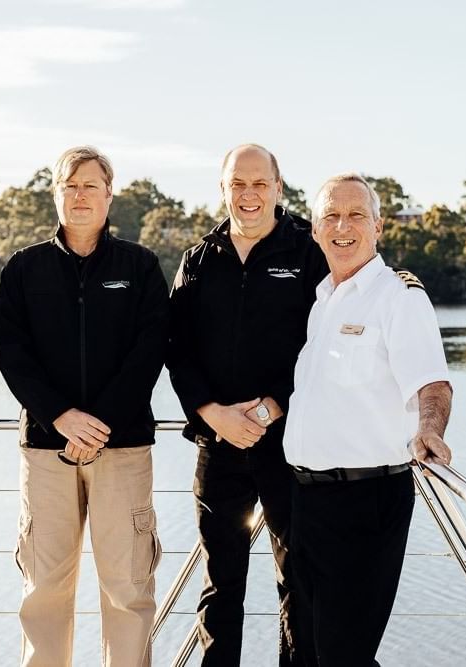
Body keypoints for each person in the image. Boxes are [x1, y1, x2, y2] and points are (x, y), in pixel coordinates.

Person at [0, 146, 168, 667]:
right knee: (43, 589)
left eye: (91, 185)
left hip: (124, 448)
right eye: (70, 185)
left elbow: (150, 350)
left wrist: (101, 424)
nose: (80, 195)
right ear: (55, 195)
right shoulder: (25, 269)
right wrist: (61, 416)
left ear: (109, 195)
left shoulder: (139, 267)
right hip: (48, 450)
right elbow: (12, 351)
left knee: (127, 588)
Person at [283, 173, 453, 666]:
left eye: (356, 215)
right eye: (331, 216)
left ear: (378, 226)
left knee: (344, 653)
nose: (343, 226)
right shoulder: (320, 302)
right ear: (315, 230)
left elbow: (432, 382)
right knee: (309, 650)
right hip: (306, 501)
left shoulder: (398, 296)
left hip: (367, 502)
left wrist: (429, 429)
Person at [167, 144, 327, 665]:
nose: (249, 194)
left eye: (260, 183)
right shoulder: (198, 258)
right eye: (238, 183)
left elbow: (324, 346)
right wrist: (211, 412)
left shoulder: (309, 253)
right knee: (220, 585)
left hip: (289, 444)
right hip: (217, 443)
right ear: (223, 189)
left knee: (298, 579)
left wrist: (272, 407)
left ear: (279, 189)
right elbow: (175, 348)